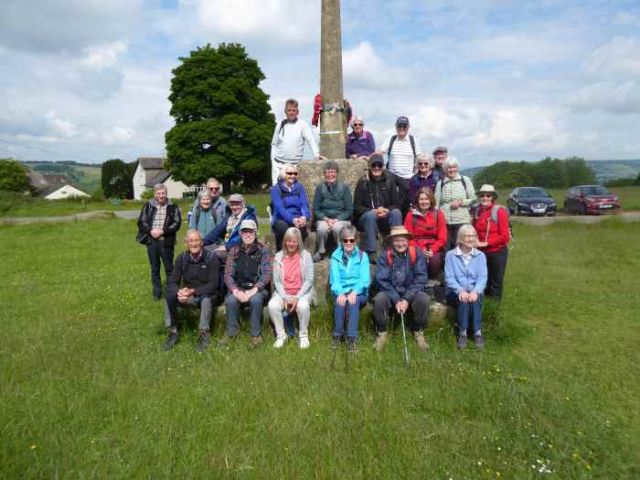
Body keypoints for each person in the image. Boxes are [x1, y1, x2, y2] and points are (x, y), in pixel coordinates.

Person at [373, 226, 430, 352]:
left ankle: (418, 331)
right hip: (390, 291)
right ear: (392, 242)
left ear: (408, 240)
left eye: (403, 240)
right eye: (397, 240)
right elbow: (382, 280)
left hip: (410, 290)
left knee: (423, 299)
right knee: (379, 300)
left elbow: (421, 277)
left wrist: (406, 299)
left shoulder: (416, 253)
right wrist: (396, 299)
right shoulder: (385, 256)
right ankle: (382, 332)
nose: (400, 243)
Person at [162, 230, 220, 352]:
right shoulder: (181, 258)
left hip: (207, 294)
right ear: (186, 244)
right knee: (169, 296)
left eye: (197, 240)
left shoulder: (211, 257)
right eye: (191, 241)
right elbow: (172, 281)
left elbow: (213, 284)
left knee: (206, 299)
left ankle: (204, 334)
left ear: (202, 242)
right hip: (188, 294)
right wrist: (179, 292)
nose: (194, 244)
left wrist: (192, 291)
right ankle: (172, 331)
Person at [219, 220, 272, 347]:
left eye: (251, 231)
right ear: (240, 233)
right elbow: (228, 274)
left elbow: (266, 274)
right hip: (239, 287)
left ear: (256, 233)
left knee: (256, 300)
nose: (248, 234)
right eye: (245, 231)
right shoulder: (234, 250)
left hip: (257, 289)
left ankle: (256, 335)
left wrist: (253, 290)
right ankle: (231, 333)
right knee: (231, 300)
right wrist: (236, 291)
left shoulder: (263, 250)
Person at [268, 227, 315, 349]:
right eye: (288, 241)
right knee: (272, 305)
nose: (291, 244)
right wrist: (284, 297)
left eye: (294, 241)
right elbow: (277, 281)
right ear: (284, 241)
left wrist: (297, 297)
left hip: (302, 292)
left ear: (299, 242)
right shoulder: (279, 256)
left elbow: (309, 280)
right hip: (283, 292)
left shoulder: (306, 256)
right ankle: (281, 335)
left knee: (303, 306)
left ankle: (303, 335)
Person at [353, 153, 402, 264]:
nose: (376, 168)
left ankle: (397, 247)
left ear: (383, 166)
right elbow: (357, 207)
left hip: (384, 216)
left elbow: (396, 203)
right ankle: (372, 252)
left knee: (396, 213)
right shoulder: (363, 182)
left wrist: (386, 210)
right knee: (370, 216)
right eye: (374, 165)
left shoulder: (389, 181)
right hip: (367, 218)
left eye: (379, 165)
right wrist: (372, 211)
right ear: (370, 166)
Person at [445, 224, 488, 349]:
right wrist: (460, 291)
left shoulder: (480, 256)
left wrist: (475, 291)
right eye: (467, 236)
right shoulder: (450, 255)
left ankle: (477, 332)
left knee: (474, 300)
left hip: (475, 290)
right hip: (456, 290)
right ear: (460, 238)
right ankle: (462, 332)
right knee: (463, 300)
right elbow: (449, 278)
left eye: (473, 236)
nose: (471, 239)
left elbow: (482, 278)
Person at [329, 226, 370, 353]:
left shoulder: (363, 256)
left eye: (351, 240)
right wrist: (340, 292)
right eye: (345, 240)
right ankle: (337, 335)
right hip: (341, 290)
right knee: (340, 302)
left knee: (353, 301)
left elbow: (365, 280)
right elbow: (334, 280)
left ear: (356, 241)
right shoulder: (335, 256)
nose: (348, 243)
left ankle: (352, 339)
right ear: (341, 241)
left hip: (359, 291)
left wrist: (354, 291)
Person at [136, 183, 182, 300]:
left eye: (163, 193)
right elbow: (141, 222)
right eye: (159, 193)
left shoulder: (173, 206)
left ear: (166, 194)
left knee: (169, 269)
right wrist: (150, 231)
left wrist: (163, 231)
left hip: (166, 242)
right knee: (154, 268)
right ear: (155, 194)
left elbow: (177, 223)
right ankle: (157, 293)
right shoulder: (148, 206)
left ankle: (170, 292)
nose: (161, 195)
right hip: (152, 242)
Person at [473, 184, 510, 300]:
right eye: (482, 195)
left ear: (493, 197)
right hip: (480, 252)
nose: (485, 198)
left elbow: (505, 236)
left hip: (497, 252)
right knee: (483, 281)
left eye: (488, 196)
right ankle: (482, 308)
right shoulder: (477, 211)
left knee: (495, 282)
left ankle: (493, 313)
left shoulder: (499, 211)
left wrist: (486, 243)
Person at [270, 98, 320, 185]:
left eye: (294, 110)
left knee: (292, 193)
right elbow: (274, 144)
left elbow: (311, 140)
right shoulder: (280, 124)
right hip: (278, 165)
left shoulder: (303, 125)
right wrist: (272, 160)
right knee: (276, 191)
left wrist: (316, 155)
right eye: (289, 110)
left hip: (294, 166)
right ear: (285, 111)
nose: (291, 112)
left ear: (297, 112)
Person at [312, 160, 353, 262]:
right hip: (325, 219)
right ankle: (321, 251)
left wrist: (337, 219)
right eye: (327, 172)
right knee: (322, 228)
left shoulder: (344, 188)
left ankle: (342, 252)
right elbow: (316, 209)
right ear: (324, 174)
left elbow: (349, 210)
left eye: (332, 171)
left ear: (337, 173)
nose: (330, 174)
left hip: (341, 219)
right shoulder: (320, 188)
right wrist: (325, 219)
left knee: (337, 228)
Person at [404, 188, 447, 280]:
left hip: (434, 246)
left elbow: (442, 237)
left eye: (426, 199)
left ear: (431, 200)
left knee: (434, 261)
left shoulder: (438, 214)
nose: (424, 202)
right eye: (421, 199)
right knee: (416, 259)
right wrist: (420, 250)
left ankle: (432, 280)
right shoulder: (410, 215)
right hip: (416, 245)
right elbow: (407, 237)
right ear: (417, 201)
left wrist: (432, 250)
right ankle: (418, 281)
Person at [434, 157, 476, 251]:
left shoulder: (465, 180)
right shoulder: (440, 183)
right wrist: (437, 219)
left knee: (461, 247)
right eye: (448, 168)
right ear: (444, 169)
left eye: (453, 167)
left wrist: (462, 202)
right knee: (446, 248)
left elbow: (473, 199)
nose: (451, 170)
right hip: (445, 222)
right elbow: (436, 204)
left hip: (462, 220)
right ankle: (447, 265)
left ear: (457, 168)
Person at [203, 193, 257, 258]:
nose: (234, 207)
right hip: (226, 244)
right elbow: (217, 231)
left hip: (240, 249)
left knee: (214, 255)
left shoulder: (249, 218)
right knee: (202, 249)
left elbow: (244, 238)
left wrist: (227, 247)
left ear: (243, 204)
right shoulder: (229, 215)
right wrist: (202, 242)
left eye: (237, 204)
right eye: (232, 204)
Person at [271, 164, 310, 251]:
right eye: (290, 173)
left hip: (297, 216)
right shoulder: (275, 189)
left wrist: (304, 216)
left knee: (302, 227)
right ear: (283, 174)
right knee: (283, 228)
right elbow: (279, 208)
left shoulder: (300, 187)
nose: (293, 176)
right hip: (281, 218)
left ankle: (299, 252)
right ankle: (281, 251)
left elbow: (304, 204)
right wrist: (292, 219)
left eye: (295, 174)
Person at [379, 116, 423, 192]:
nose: (401, 128)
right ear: (396, 127)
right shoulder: (391, 139)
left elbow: (420, 158)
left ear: (408, 127)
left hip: (409, 179)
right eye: (399, 126)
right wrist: (368, 158)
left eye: (404, 126)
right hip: (392, 179)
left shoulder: (414, 141)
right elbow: (379, 153)